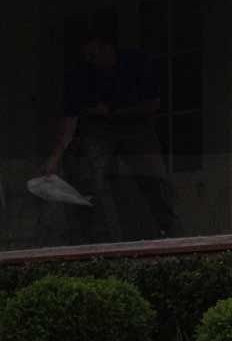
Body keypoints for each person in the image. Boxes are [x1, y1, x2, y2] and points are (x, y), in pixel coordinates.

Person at [44, 34, 172, 242]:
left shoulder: (135, 63)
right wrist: (55, 157)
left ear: (108, 48)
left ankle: (167, 230)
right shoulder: (82, 75)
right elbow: (71, 119)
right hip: (99, 129)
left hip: (135, 123)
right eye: (87, 57)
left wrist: (112, 111)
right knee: (95, 181)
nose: (91, 61)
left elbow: (152, 104)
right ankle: (102, 238)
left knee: (153, 177)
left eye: (94, 55)